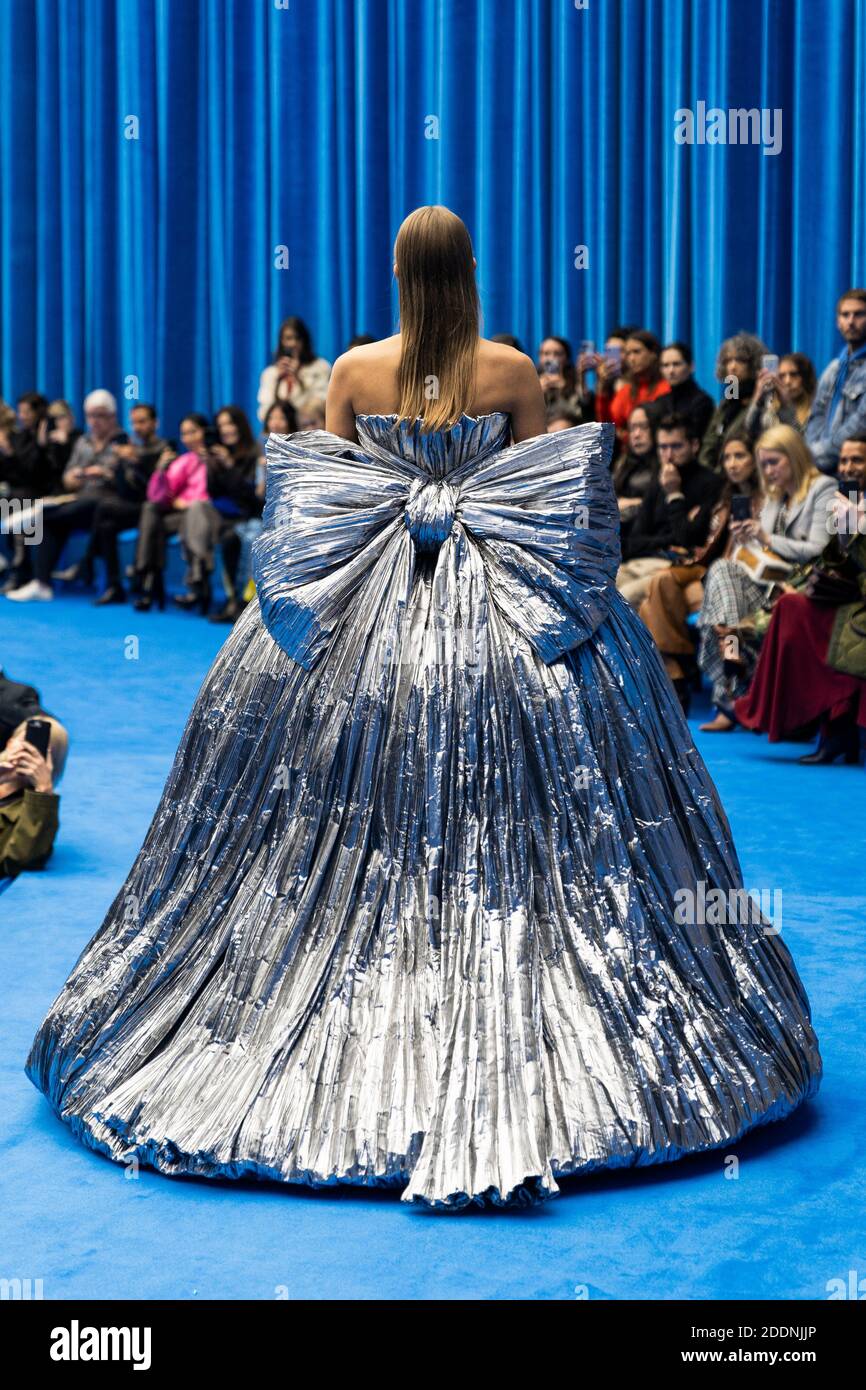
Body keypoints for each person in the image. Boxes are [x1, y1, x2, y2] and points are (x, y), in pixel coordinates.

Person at [25, 205, 821, 1213]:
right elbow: (556, 516)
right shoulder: (511, 375)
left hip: (367, 613)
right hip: (505, 615)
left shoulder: (352, 373)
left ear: (397, 272)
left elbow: (315, 512)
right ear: (470, 270)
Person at [733, 433, 866, 762]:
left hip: (859, 602)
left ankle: (837, 728)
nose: (849, 468)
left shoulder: (829, 495)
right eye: (844, 461)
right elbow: (833, 561)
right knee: (791, 606)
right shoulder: (845, 502)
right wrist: (846, 532)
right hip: (846, 595)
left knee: (810, 616)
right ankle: (811, 722)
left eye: (858, 460)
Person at [696, 425, 838, 731]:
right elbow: (763, 548)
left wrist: (766, 538)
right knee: (722, 570)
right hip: (770, 583)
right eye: (764, 465)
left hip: (803, 585)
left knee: (721, 600)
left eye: (773, 462)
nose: (768, 471)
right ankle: (731, 656)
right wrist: (749, 538)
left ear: (794, 457)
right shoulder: (776, 495)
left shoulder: (823, 487)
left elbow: (820, 549)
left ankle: (730, 691)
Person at [638, 430, 763, 712]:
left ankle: (680, 673)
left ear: (755, 462)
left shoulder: (763, 497)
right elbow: (688, 536)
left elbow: (692, 539)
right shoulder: (724, 495)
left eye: (740, 456)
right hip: (703, 569)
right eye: (728, 457)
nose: (732, 463)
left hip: (739, 577)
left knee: (654, 594)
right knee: (661, 584)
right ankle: (679, 670)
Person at [4, 389, 129, 603]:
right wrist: (75, 477)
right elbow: (67, 478)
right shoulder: (83, 441)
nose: (94, 421)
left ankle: (35, 515)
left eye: (100, 416)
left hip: (108, 504)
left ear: (112, 417)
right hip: (79, 501)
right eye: (90, 416)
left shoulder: (123, 442)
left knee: (83, 503)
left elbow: (122, 480)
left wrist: (103, 473)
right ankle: (41, 584)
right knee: (51, 521)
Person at [616, 412, 723, 607]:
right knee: (598, 587)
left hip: (675, 565)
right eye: (663, 447)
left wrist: (674, 495)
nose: (669, 455)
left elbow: (689, 540)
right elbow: (634, 540)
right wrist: (666, 542)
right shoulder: (659, 481)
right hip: (643, 561)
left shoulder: (711, 484)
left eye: (676, 446)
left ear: (695, 445)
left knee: (624, 597)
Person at [132, 414, 213, 613]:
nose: (188, 438)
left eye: (193, 432)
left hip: (205, 513)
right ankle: (145, 572)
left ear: (205, 432)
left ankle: (147, 582)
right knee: (149, 510)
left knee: (190, 515)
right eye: (184, 434)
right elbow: (156, 496)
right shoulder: (184, 460)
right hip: (179, 514)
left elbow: (213, 493)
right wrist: (160, 470)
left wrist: (186, 503)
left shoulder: (215, 458)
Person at [804, 288, 866, 475]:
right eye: (845, 315)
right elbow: (816, 416)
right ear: (838, 322)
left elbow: (861, 423)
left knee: (852, 503)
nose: (851, 321)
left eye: (859, 314)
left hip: (855, 470)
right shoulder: (833, 368)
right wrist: (810, 452)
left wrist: (816, 455)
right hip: (823, 469)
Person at [0, 715, 68, 877]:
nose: (30, 753)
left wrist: (43, 790)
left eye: (42, 749)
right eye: (27, 741)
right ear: (10, 742)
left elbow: (19, 860)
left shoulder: (35, 811)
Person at [699, 333, 768, 471]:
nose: (732, 367)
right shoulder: (727, 403)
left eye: (740, 360)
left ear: (754, 363)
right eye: (728, 361)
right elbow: (710, 443)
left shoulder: (765, 400)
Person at [594, 329, 672, 448]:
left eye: (636, 352)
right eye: (628, 353)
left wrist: (626, 435)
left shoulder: (666, 386)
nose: (631, 358)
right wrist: (602, 388)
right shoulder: (627, 390)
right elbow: (608, 426)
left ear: (653, 354)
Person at [256, 316, 331, 423]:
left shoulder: (321, 367)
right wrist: (278, 381)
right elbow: (263, 414)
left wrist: (299, 379)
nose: (293, 343)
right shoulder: (270, 373)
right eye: (289, 338)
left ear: (305, 340)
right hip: (280, 432)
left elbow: (322, 406)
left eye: (298, 338)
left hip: (309, 430)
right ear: (281, 341)